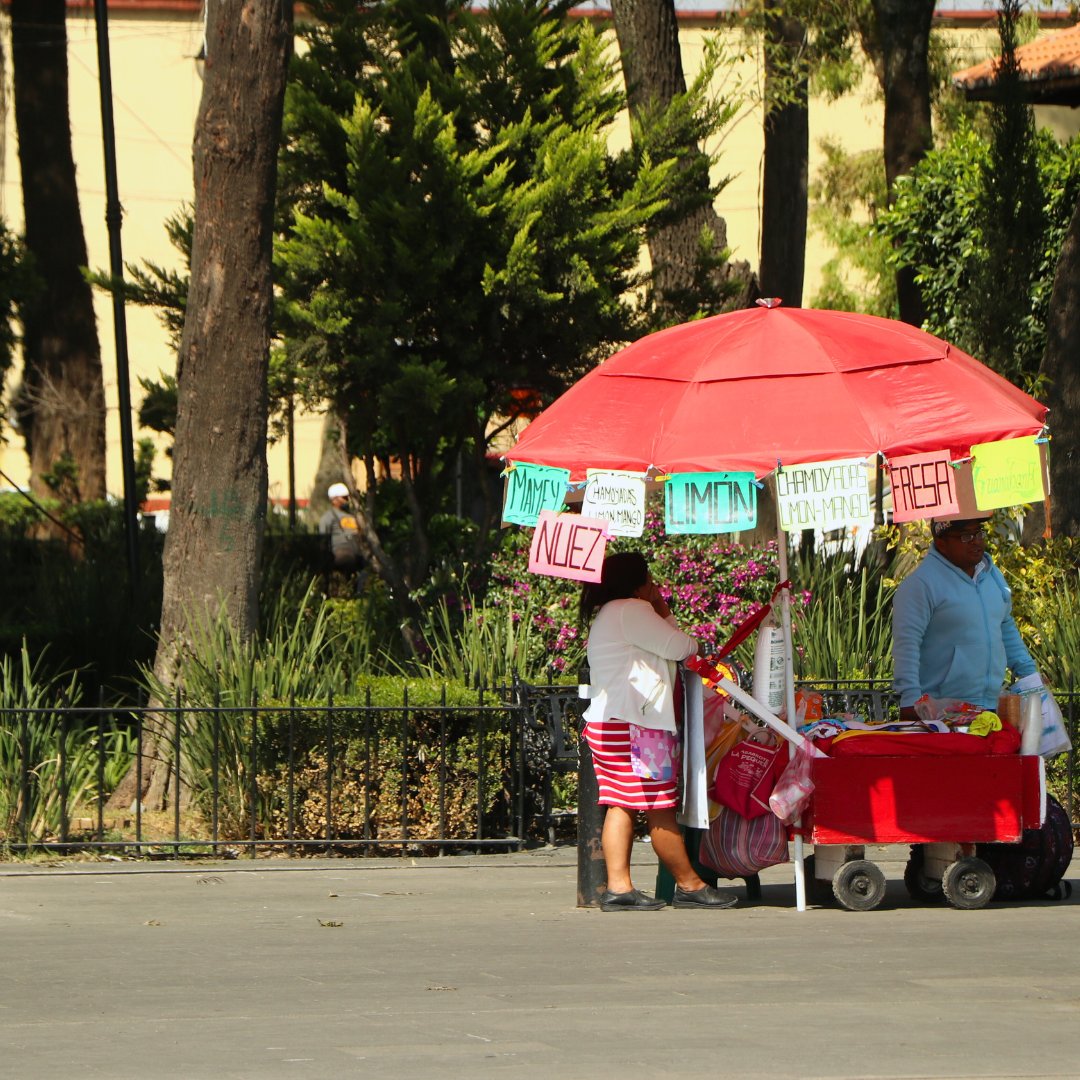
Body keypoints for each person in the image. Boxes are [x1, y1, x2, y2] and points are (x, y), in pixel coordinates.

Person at [580, 551, 738, 910]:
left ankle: (620, 887)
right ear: (639, 582)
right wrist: (660, 607)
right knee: (659, 806)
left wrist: (659, 607)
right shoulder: (632, 610)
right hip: (638, 727)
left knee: (621, 804)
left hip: (611, 723)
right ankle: (690, 884)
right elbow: (682, 645)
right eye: (650, 579)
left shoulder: (609, 613)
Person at [893, 515, 1037, 722]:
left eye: (978, 533)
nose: (976, 541)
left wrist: (1031, 677)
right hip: (942, 714)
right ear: (941, 543)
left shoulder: (993, 576)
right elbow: (907, 645)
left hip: (991, 707)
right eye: (965, 536)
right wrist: (910, 700)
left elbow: (1005, 628)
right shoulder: (921, 584)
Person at [319, 482, 364, 573]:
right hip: (340, 552)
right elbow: (323, 539)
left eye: (347, 497)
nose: (347, 500)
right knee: (347, 560)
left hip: (358, 551)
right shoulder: (328, 516)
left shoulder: (353, 514)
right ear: (334, 500)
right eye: (344, 498)